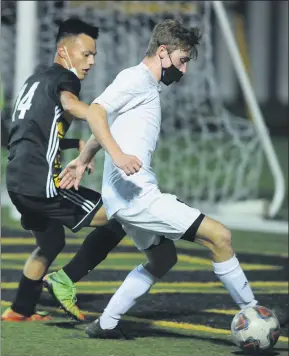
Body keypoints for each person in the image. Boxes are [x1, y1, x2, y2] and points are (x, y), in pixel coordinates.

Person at [55, 19, 264, 338]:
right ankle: (254, 313)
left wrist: (84, 159)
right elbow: (96, 112)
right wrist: (118, 155)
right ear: (163, 52)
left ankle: (106, 324)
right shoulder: (136, 78)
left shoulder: (145, 85)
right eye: (182, 60)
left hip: (126, 198)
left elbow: (109, 120)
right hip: (137, 197)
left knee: (163, 258)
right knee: (219, 236)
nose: (184, 70)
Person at [1, 18, 127, 323]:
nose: (92, 61)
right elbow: (71, 105)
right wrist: (100, 117)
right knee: (120, 215)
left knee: (50, 243)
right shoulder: (65, 79)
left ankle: (20, 309)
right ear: (64, 51)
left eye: (94, 55)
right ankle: (65, 278)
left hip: (17, 182)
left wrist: (73, 142)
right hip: (40, 185)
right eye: (86, 54)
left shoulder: (34, 80)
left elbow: (27, 131)